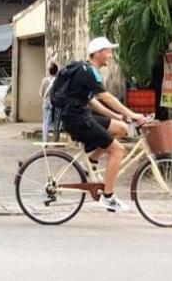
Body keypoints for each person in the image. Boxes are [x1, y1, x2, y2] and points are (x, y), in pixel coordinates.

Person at [57, 37, 148, 212]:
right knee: (118, 150)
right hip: (78, 120)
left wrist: (117, 116)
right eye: (108, 51)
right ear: (98, 53)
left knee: (120, 128)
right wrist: (133, 114)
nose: (111, 55)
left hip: (80, 116)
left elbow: (93, 101)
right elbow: (105, 97)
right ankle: (108, 196)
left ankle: (91, 160)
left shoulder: (90, 71)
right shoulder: (88, 72)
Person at [39, 62, 59, 141]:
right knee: (56, 122)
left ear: (49, 71)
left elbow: (41, 93)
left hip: (47, 101)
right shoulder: (58, 81)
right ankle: (56, 140)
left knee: (46, 121)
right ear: (57, 71)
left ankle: (45, 140)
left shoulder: (44, 80)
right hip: (56, 102)